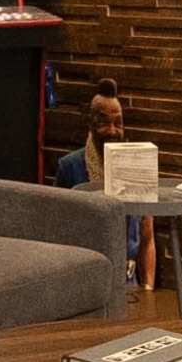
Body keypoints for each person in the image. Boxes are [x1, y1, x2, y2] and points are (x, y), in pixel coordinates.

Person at [52, 84, 155, 289]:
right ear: (90, 123)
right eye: (104, 123)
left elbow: (147, 235)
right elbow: (57, 232)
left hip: (128, 280)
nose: (113, 131)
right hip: (85, 280)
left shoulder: (136, 166)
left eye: (118, 123)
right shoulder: (70, 167)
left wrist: (148, 287)